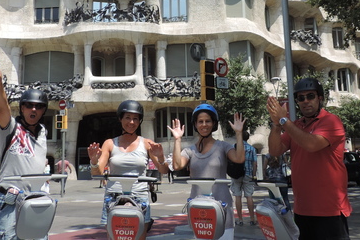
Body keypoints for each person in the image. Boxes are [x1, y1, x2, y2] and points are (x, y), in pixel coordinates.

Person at [267, 77, 352, 240]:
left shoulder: (331, 121)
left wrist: (284, 121)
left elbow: (311, 144)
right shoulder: (295, 126)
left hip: (330, 209)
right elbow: (275, 150)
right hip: (302, 209)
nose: (306, 101)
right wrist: (277, 124)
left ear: (319, 98)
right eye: (301, 98)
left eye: (310, 96)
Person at [88, 100, 169, 240]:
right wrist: (94, 161)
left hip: (139, 196)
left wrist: (161, 157)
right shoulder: (110, 143)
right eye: (127, 118)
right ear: (120, 118)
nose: (131, 122)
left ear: (140, 121)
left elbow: (163, 170)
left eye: (135, 118)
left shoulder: (146, 144)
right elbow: (97, 174)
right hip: (114, 197)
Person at [0, 58, 49, 240]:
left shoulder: (43, 132)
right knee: (7, 237)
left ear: (43, 111)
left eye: (38, 107)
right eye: (29, 105)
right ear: (22, 107)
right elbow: (2, 108)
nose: (33, 109)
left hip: (36, 198)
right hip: (11, 199)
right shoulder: (10, 128)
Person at [170, 104, 245, 240]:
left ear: (214, 123)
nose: (204, 125)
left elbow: (239, 158)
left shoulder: (223, 146)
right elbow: (177, 165)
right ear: (195, 124)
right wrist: (177, 139)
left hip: (222, 208)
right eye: (200, 121)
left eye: (208, 121)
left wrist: (239, 134)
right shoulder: (190, 150)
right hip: (199, 210)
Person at [230, 131, 258, 226]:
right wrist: (254, 175)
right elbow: (255, 163)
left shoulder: (234, 147)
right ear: (248, 138)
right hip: (248, 174)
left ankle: (240, 219)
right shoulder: (252, 149)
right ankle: (252, 219)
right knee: (249, 196)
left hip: (236, 174)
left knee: (237, 196)